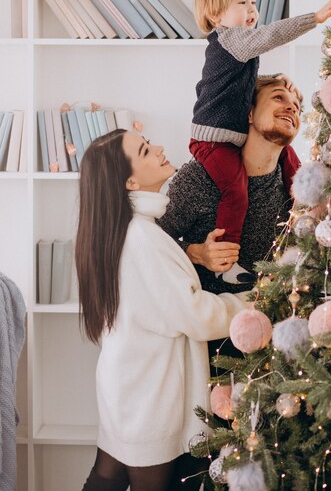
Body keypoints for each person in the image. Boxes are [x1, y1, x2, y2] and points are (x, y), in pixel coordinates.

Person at [76, 129, 249, 491]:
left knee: (107, 476)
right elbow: (196, 316)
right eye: (144, 150)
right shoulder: (143, 238)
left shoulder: (126, 231)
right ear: (131, 180)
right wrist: (252, 304)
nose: (157, 148)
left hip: (127, 385)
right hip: (148, 397)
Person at [190, 0, 331, 283]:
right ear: (216, 14)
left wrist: (272, 82)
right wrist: (313, 18)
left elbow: (227, 86)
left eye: (253, 3)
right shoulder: (231, 39)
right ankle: (227, 259)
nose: (252, 11)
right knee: (236, 190)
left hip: (225, 136)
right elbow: (270, 35)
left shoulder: (229, 51)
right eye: (242, 3)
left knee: (290, 161)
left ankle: (304, 217)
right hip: (213, 142)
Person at [159, 74, 303, 368]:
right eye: (279, 97)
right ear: (248, 113)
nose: (292, 108)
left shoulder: (298, 188)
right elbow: (152, 244)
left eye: (297, 106)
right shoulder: (200, 178)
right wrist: (196, 252)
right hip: (215, 347)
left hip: (279, 341)